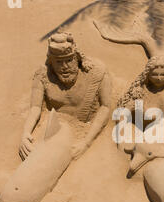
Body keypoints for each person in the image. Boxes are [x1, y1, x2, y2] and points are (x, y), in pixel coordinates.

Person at [19, 32, 112, 160]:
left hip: (82, 133)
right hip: (54, 130)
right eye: (58, 62)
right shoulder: (42, 75)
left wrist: (86, 142)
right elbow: (35, 107)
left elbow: (105, 107)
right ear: (51, 62)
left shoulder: (97, 73)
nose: (64, 67)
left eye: (69, 60)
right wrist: (25, 134)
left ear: (77, 58)